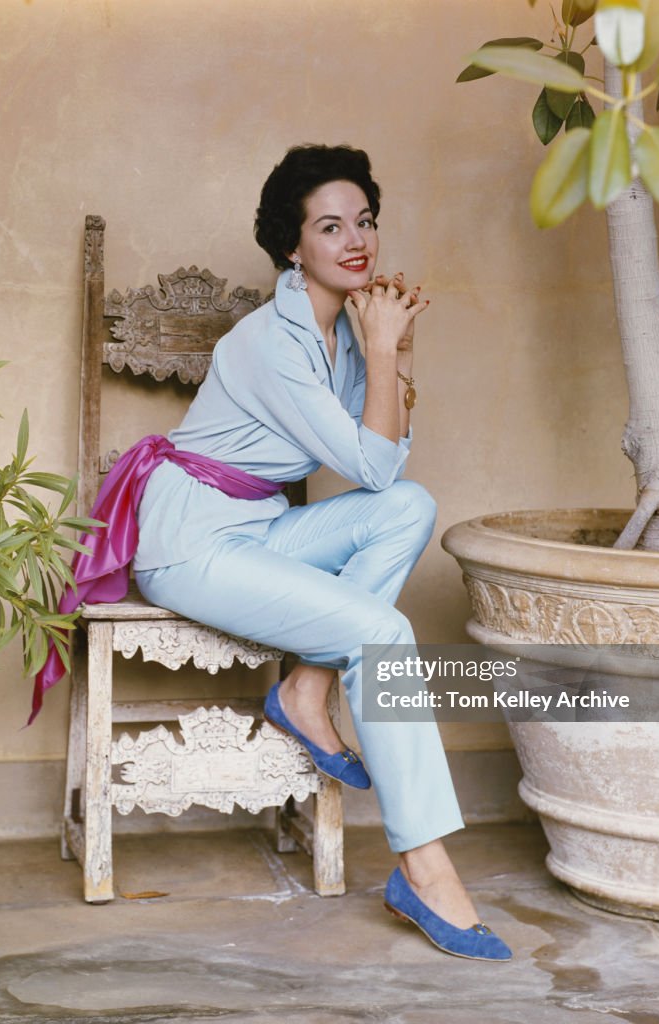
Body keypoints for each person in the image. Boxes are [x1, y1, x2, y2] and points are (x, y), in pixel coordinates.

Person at [36, 144, 511, 961]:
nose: (355, 240)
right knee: (384, 634)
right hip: (189, 542)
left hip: (255, 528)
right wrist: (390, 348)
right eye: (330, 227)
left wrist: (385, 349)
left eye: (364, 221)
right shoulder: (269, 340)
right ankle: (423, 870)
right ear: (294, 248)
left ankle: (307, 686)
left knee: (410, 507)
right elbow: (361, 460)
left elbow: (387, 472)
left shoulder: (346, 331)